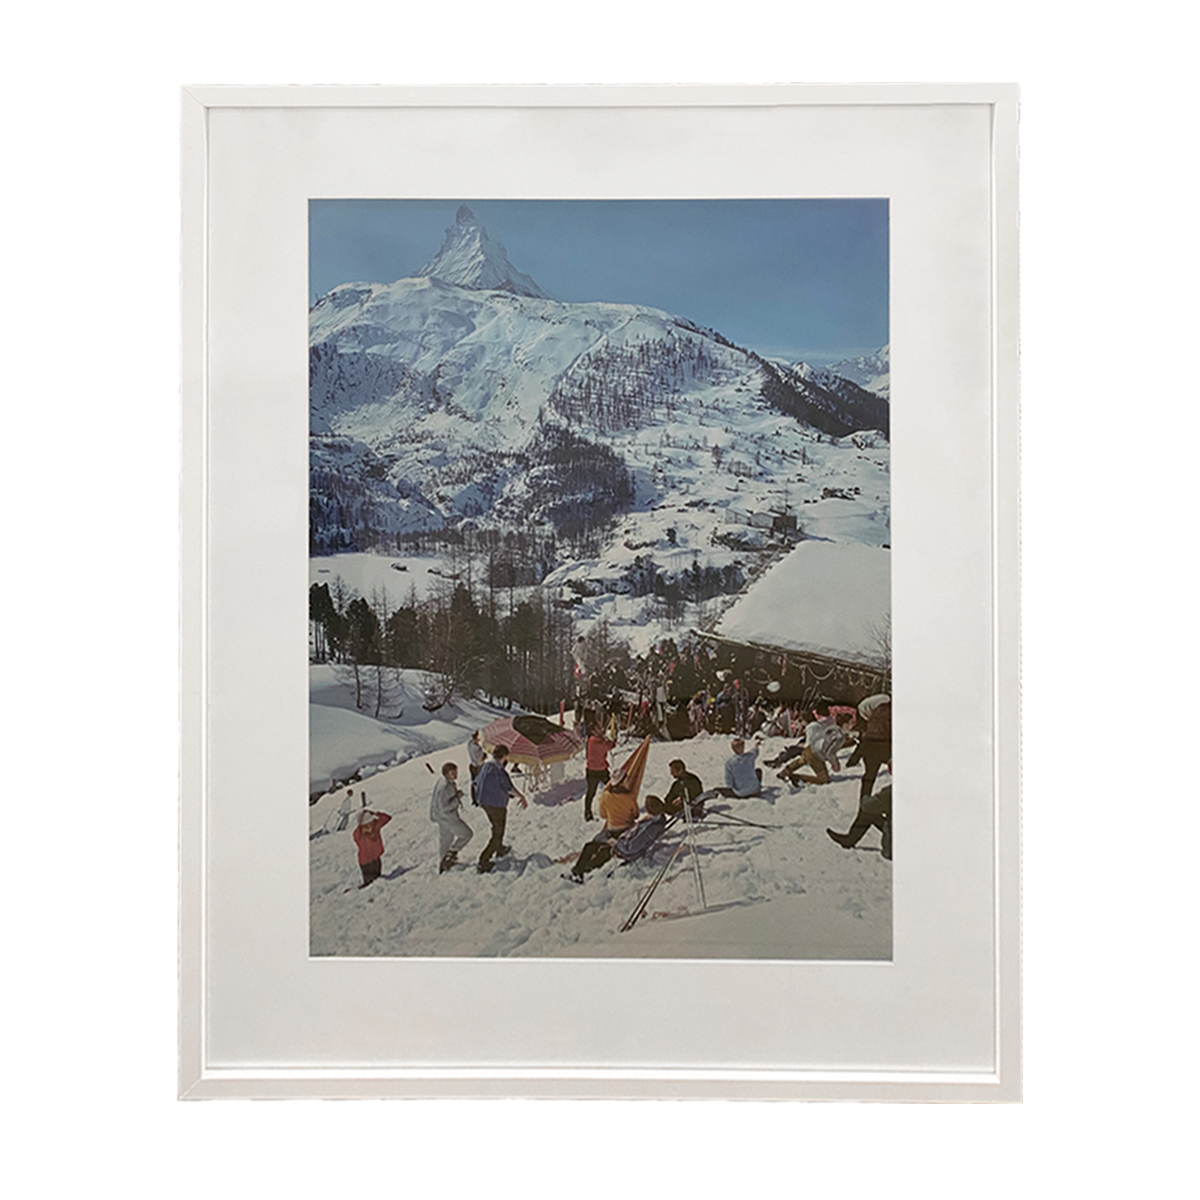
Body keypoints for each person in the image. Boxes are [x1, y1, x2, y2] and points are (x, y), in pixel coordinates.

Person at [570, 795, 667, 881]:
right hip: (623, 843)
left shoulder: (648, 828)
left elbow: (632, 846)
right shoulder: (655, 820)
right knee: (602, 849)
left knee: (591, 847)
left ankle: (578, 872)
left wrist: (616, 843)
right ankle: (584, 870)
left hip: (624, 849)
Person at [474, 745, 528, 874]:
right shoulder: (499, 770)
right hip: (497, 805)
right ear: (504, 756)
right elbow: (509, 788)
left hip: (484, 803)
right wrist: (521, 796)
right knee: (498, 832)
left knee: (495, 826)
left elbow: (475, 783)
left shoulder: (485, 766)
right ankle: (483, 860)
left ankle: (499, 848)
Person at [783, 707, 854, 786]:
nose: (853, 725)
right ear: (845, 725)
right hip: (816, 755)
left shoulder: (832, 728)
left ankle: (784, 772)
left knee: (803, 760)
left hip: (810, 748)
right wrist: (835, 763)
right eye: (851, 723)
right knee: (824, 780)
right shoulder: (840, 737)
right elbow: (830, 753)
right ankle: (797, 777)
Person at [429, 762, 474, 873]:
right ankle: (452, 853)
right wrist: (457, 798)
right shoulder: (445, 787)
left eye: (456, 772)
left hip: (441, 817)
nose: (455, 775)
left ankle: (444, 862)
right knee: (467, 834)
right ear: (446, 774)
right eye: (453, 773)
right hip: (449, 818)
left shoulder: (443, 782)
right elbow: (445, 806)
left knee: (446, 840)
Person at [828, 783, 892, 860]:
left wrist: (865, 795)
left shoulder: (893, 792)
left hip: (895, 849)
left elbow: (867, 806)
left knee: (868, 812)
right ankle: (849, 839)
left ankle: (849, 840)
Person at [845, 694, 892, 800]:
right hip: (884, 744)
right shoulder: (892, 711)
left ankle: (864, 804)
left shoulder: (877, 709)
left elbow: (867, 734)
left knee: (869, 776)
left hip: (869, 744)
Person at [352, 805, 392, 888]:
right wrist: (361, 822)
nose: (369, 827)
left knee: (377, 881)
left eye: (370, 823)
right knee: (370, 884)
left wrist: (374, 813)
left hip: (376, 859)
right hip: (366, 862)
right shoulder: (360, 834)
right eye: (366, 825)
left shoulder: (375, 826)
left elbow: (387, 818)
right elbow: (356, 835)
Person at [583, 727, 616, 822]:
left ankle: (587, 812)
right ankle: (615, 806)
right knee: (612, 787)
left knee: (590, 792)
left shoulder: (590, 740)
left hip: (590, 770)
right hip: (601, 771)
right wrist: (613, 739)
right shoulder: (600, 743)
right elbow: (610, 745)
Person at [466, 731, 485, 803]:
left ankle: (474, 798)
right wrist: (484, 755)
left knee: (473, 782)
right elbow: (480, 759)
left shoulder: (469, 744)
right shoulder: (477, 749)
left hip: (472, 765)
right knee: (479, 783)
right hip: (478, 767)